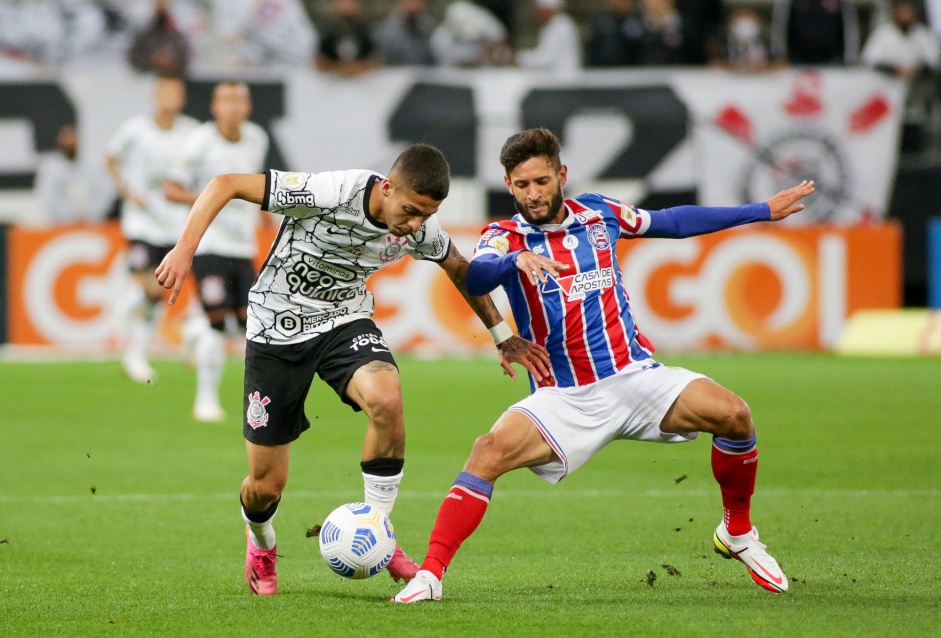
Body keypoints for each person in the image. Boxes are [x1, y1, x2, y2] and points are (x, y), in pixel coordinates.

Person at [392, 128, 816, 603]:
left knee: (734, 414)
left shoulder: (600, 214)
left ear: (561, 175)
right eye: (522, 185)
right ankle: (429, 576)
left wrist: (761, 211)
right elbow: (477, 275)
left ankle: (737, 532)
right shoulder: (504, 236)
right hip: (563, 397)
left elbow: (672, 221)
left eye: (542, 181)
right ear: (508, 186)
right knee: (487, 453)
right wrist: (516, 262)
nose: (533, 194)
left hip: (634, 377)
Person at [155, 143, 551, 595]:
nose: (416, 223)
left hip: (343, 321)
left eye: (427, 214)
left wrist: (502, 335)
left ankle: (378, 531)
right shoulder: (329, 191)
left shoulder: (420, 227)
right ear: (386, 187)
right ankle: (261, 542)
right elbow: (225, 184)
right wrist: (184, 251)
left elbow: (459, 267)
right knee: (266, 485)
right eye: (410, 210)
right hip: (275, 332)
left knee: (386, 398)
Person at [164, 82, 270, 422]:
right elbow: (171, 189)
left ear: (249, 107)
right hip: (209, 244)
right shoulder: (199, 141)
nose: (234, 107)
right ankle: (205, 400)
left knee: (244, 324)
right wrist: (212, 201)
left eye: (240, 100)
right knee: (217, 326)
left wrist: (267, 216)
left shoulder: (257, 138)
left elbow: (254, 186)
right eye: (227, 101)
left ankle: (191, 331)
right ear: (214, 107)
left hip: (243, 245)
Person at [107, 76, 199, 384]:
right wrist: (126, 191)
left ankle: (136, 355)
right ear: (155, 96)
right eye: (166, 92)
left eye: (177, 92)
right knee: (146, 285)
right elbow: (111, 158)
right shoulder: (136, 130)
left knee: (157, 292)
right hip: (142, 220)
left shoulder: (191, 132)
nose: (171, 98)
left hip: (174, 222)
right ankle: (124, 322)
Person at [35, 123, 114, 225]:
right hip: (61, 225)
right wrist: (69, 217)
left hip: (94, 224)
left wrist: (90, 215)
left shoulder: (94, 164)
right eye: (66, 139)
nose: (69, 143)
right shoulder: (50, 168)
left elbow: (105, 192)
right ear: (59, 142)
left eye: (72, 138)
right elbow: (47, 197)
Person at [315, 0, 380, 77]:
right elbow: (319, 61)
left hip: (363, 81)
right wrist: (339, 67)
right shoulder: (328, 30)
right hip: (334, 81)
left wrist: (359, 67)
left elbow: (377, 60)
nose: (345, 5)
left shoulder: (365, 29)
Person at [374, 0, 436, 67]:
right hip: (398, 72)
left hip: (423, 71)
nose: (413, 5)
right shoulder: (387, 31)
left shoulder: (427, 27)